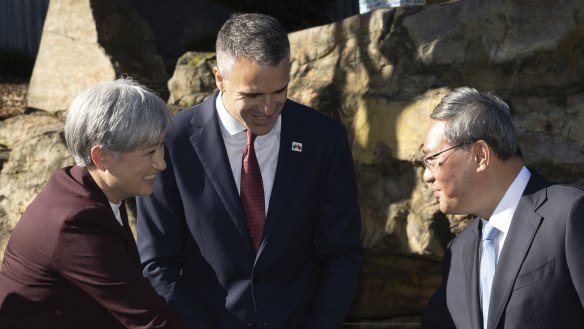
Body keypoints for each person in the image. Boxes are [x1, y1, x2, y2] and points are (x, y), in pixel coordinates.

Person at [136, 12, 363, 329]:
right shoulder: (171, 143)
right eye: (252, 95)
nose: (268, 108)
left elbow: (341, 253)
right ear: (219, 78)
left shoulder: (323, 139)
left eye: (280, 91)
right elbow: (157, 263)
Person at [0, 78, 191, 329]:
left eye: (161, 146)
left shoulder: (83, 186)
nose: (161, 163)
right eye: (148, 152)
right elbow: (151, 321)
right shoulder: (77, 223)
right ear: (101, 157)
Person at [419, 87, 584, 329]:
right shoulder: (459, 251)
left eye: (433, 159)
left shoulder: (568, 215)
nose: (426, 176)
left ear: (480, 156)